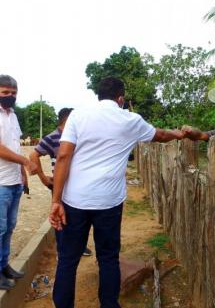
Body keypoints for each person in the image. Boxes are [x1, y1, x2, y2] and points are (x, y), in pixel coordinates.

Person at [49, 77, 185, 308]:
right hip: (109, 202)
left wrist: (56, 201)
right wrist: (179, 134)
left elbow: (63, 156)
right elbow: (160, 135)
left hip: (74, 201)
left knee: (68, 260)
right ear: (120, 99)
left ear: (99, 96)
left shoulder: (78, 116)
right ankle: (109, 304)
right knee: (108, 258)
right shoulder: (130, 120)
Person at [0, 74, 38, 290]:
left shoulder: (13, 116)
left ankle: (4, 266)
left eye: (13, 93)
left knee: (9, 227)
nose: (10, 96)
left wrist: (22, 173)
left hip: (13, 181)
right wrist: (25, 162)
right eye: (5, 93)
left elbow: (14, 146)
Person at [29, 107, 92, 256]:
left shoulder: (79, 136)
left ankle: (79, 247)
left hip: (79, 186)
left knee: (79, 218)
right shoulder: (53, 137)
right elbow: (33, 155)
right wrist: (44, 179)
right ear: (68, 121)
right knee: (61, 218)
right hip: (60, 186)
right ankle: (62, 251)